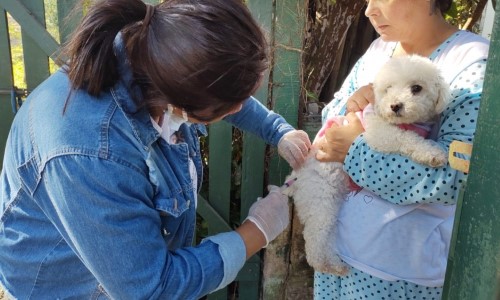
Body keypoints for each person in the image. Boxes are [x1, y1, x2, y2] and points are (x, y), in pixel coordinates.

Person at [0, 0, 311, 298]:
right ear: (181, 103)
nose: (241, 107)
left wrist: (278, 130)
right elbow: (150, 289)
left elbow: (222, 89)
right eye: (232, 106)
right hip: (66, 288)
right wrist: (256, 232)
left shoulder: (158, 58)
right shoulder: (94, 155)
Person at [313, 0, 489, 299]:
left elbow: (457, 179)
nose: (369, 11)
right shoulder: (379, 50)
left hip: (399, 273)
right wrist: (352, 103)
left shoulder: (471, 62)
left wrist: (353, 151)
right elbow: (333, 114)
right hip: (337, 253)